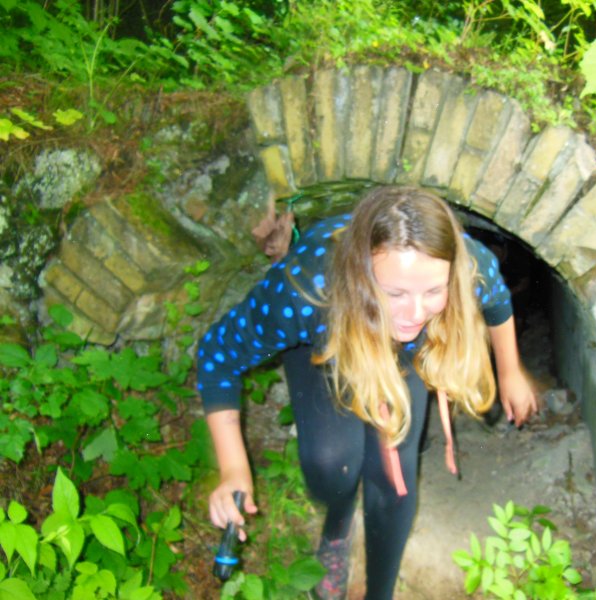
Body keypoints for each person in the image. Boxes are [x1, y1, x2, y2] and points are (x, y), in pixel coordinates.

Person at [197, 186, 538, 600]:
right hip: (330, 341)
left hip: (405, 355)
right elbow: (217, 356)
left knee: (394, 482)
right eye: (395, 293)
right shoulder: (305, 291)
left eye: (434, 291)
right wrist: (234, 468)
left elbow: (497, 298)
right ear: (361, 274)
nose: (415, 312)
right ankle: (337, 529)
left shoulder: (466, 266)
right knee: (330, 466)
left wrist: (510, 372)